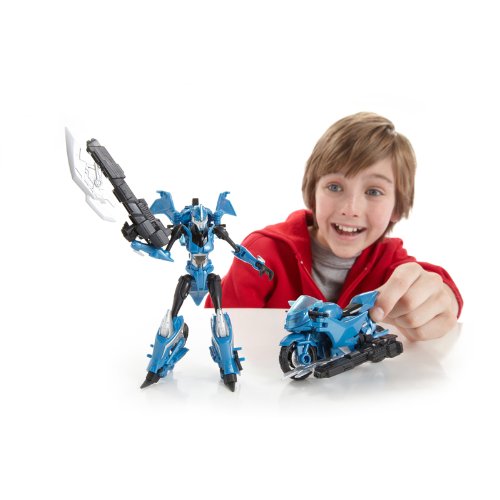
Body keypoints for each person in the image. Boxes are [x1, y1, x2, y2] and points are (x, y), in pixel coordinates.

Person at [207, 112, 463, 341]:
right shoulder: (263, 253)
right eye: (334, 187)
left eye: (374, 191)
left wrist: (445, 298)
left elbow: (427, 281)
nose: (350, 209)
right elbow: (212, 326)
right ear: (313, 194)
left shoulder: (389, 262)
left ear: (396, 208)